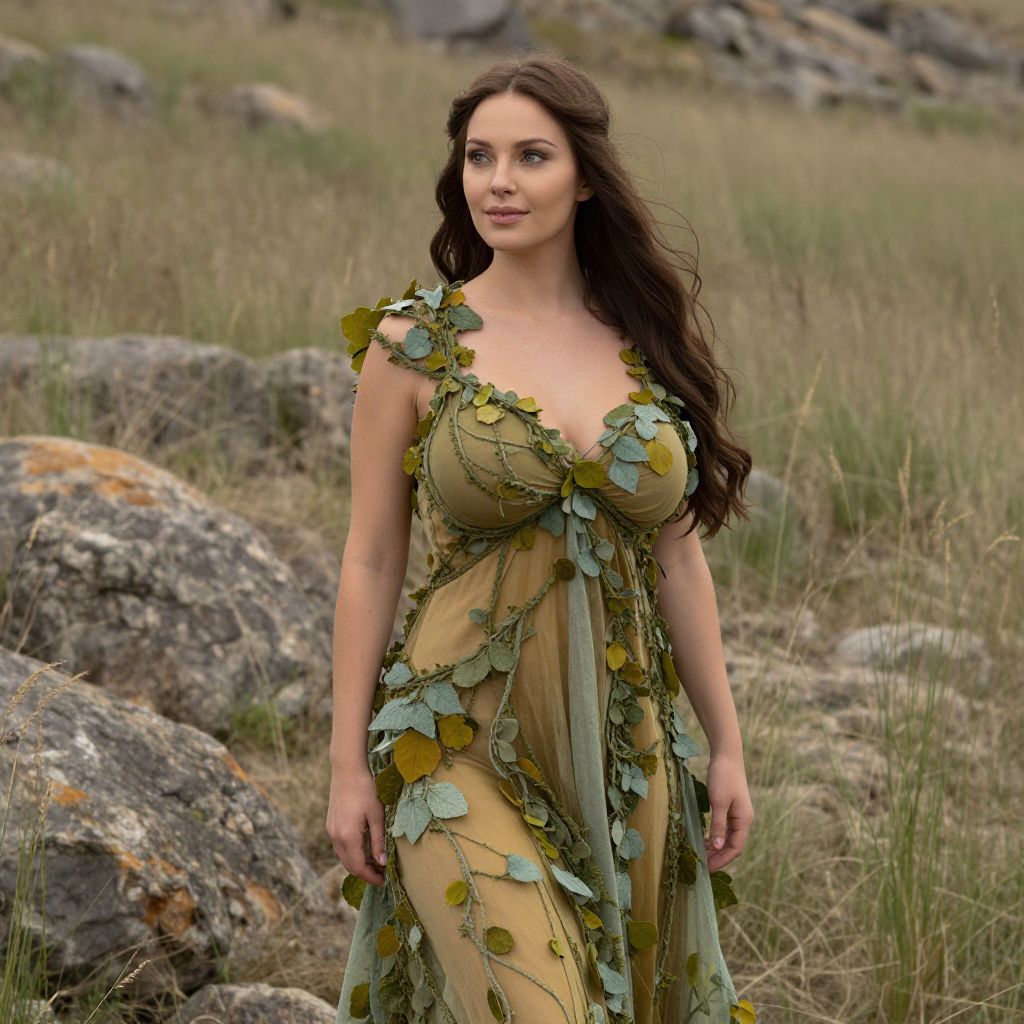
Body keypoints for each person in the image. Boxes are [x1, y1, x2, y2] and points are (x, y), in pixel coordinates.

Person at [326, 50, 757, 1024]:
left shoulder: (641, 341)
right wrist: (347, 760)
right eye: (480, 157)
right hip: (451, 741)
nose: (499, 182)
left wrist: (724, 745)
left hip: (625, 748)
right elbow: (370, 556)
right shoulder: (413, 341)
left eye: (530, 156)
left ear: (586, 178)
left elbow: (679, 556)